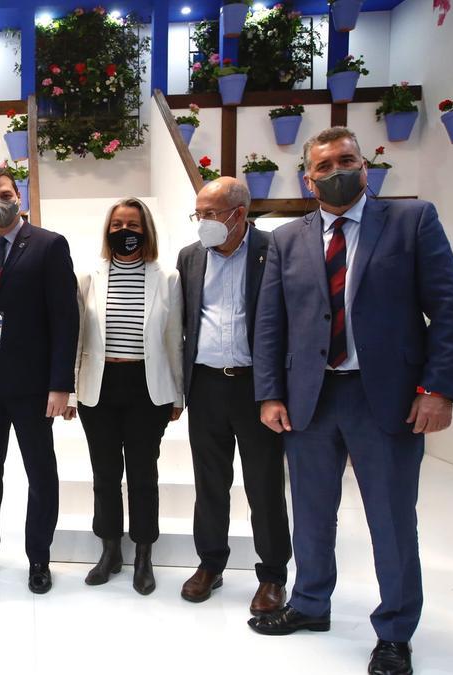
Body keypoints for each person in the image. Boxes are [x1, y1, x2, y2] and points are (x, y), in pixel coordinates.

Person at [250, 128, 453, 675]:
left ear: (365, 167)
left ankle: (395, 631)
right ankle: (309, 603)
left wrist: (438, 389)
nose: (335, 171)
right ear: (308, 179)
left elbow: (451, 310)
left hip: (389, 400)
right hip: (311, 400)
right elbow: (270, 325)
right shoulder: (285, 240)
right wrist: (270, 394)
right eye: (323, 166)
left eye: (346, 160)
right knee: (310, 513)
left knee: (391, 519)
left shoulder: (412, 220)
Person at [0, 166, 79, 594]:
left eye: (4, 194)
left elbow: (65, 319)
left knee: (39, 473)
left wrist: (61, 384)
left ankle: (39, 558)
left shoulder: (49, 245)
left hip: (33, 386)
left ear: (19, 196)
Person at [176, 177, 291, 615]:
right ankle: (210, 563)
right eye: (198, 213)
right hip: (205, 386)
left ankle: (273, 575)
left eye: (210, 214)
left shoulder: (273, 249)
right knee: (209, 483)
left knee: (264, 485)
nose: (202, 222)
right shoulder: (190, 257)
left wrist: (276, 390)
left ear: (238, 214)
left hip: (256, 389)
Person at [70, 196, 183, 595]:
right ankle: (110, 550)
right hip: (99, 387)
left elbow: (174, 340)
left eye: (133, 225)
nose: (124, 232)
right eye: (117, 225)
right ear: (107, 230)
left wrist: (178, 395)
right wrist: (70, 390)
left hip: (147, 388)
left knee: (142, 474)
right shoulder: (89, 276)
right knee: (104, 473)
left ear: (146, 230)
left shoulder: (166, 277)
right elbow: (77, 337)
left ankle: (144, 554)